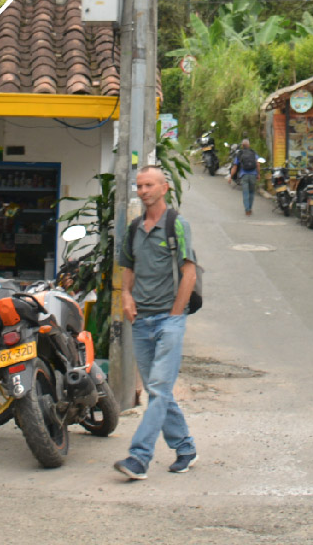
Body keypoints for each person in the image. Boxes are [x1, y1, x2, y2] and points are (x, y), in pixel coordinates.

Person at [113, 166, 199, 481]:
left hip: (169, 320)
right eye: (139, 185)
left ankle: (139, 457)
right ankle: (185, 447)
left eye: (149, 185)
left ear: (163, 188)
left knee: (160, 389)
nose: (142, 190)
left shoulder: (177, 225)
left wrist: (176, 314)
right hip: (141, 321)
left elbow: (189, 271)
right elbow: (128, 266)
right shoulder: (134, 228)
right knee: (156, 391)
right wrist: (126, 295)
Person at [233, 139, 260, 216]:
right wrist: (258, 174)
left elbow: (235, 166)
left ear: (242, 145)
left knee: (245, 193)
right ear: (249, 145)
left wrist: (230, 177)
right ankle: (250, 208)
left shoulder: (240, 154)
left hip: (244, 175)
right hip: (253, 175)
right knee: (251, 192)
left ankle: (247, 210)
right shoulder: (253, 153)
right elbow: (258, 164)